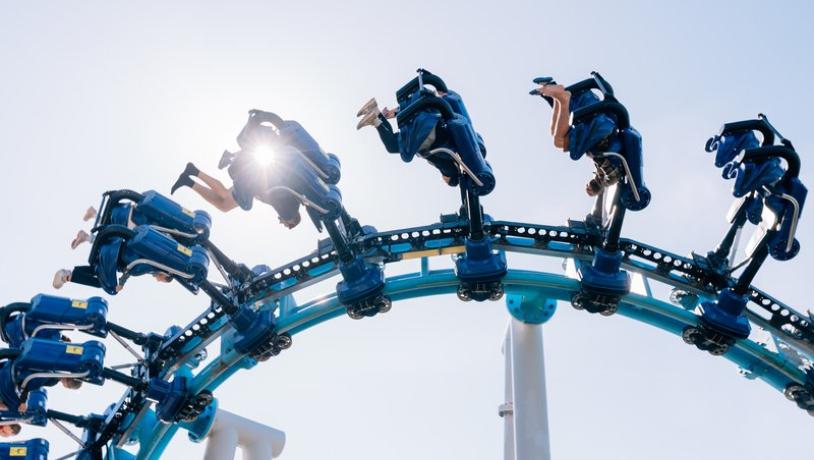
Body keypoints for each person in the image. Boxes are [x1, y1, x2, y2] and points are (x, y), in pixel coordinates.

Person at [170, 162, 301, 229]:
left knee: (224, 206)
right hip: (253, 179)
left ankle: (187, 181)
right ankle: (193, 170)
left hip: (251, 187)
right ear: (293, 218)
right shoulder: (289, 208)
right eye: (286, 224)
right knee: (225, 194)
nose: (282, 223)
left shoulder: (281, 206)